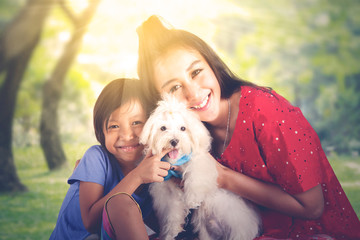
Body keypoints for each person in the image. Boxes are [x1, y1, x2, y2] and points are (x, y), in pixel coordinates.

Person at [136, 15, 360, 240]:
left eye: (196, 72)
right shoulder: (189, 134)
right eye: (175, 87)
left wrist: (223, 177)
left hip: (314, 232)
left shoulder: (267, 112)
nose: (193, 93)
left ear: (211, 64)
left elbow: (313, 207)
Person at [50, 78, 171, 240]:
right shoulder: (96, 157)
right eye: (114, 126)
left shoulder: (155, 166)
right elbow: (91, 223)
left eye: (137, 122)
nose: (126, 135)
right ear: (101, 131)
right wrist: (137, 176)